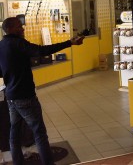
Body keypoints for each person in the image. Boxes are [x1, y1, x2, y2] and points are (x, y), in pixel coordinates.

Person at [0, 17, 85, 165]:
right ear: (11, 28)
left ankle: (17, 162)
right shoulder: (19, 43)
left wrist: (11, 70)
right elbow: (41, 51)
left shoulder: (1, 45)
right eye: (19, 26)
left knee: (14, 134)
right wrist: (69, 42)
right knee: (39, 133)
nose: (23, 28)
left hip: (11, 97)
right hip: (25, 96)